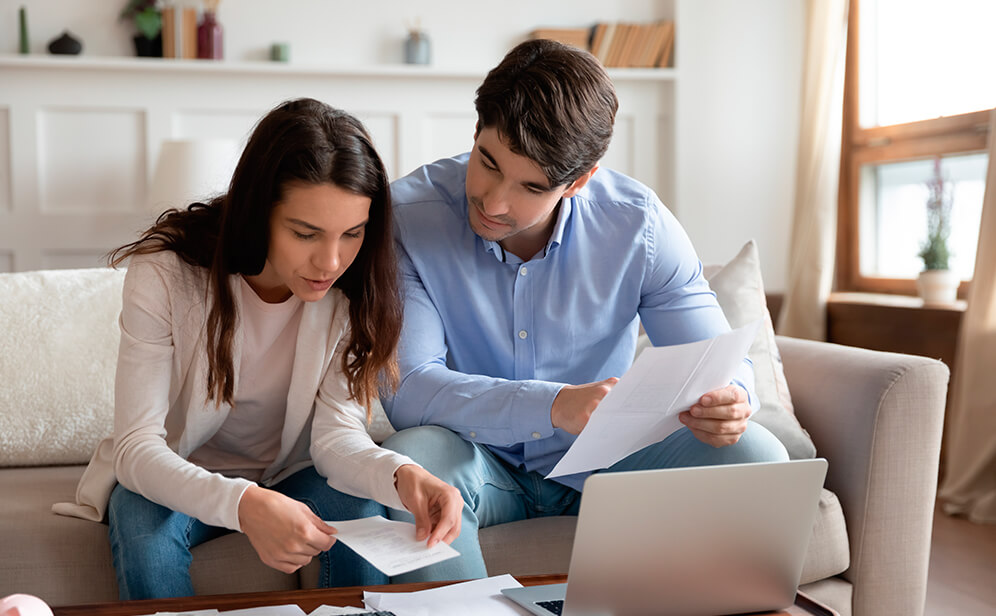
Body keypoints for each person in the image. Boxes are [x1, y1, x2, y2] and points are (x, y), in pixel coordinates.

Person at [380, 40, 790, 582]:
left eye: (531, 186)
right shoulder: (407, 218)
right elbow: (409, 390)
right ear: (476, 131)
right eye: (488, 162)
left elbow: (714, 360)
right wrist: (554, 405)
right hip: (474, 459)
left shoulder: (639, 227)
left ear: (579, 181)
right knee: (413, 456)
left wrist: (732, 398)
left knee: (758, 456)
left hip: (610, 463)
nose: (495, 201)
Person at [54, 98, 461, 599]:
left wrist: (404, 476)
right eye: (305, 233)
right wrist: (244, 502)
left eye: (352, 234)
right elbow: (138, 448)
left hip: (290, 476)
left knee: (359, 508)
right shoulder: (165, 273)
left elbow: (337, 438)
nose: (331, 260)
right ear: (258, 211)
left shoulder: (354, 289)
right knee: (141, 519)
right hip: (175, 474)